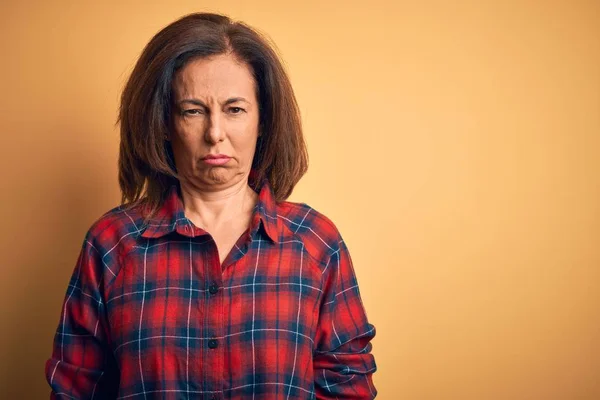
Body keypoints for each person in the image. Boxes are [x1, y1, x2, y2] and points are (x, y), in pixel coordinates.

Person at [45, 12, 377, 399]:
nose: (215, 133)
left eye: (234, 109)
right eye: (193, 111)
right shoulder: (112, 244)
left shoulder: (316, 243)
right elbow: (75, 389)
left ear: (263, 120)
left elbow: (347, 386)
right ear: (165, 124)